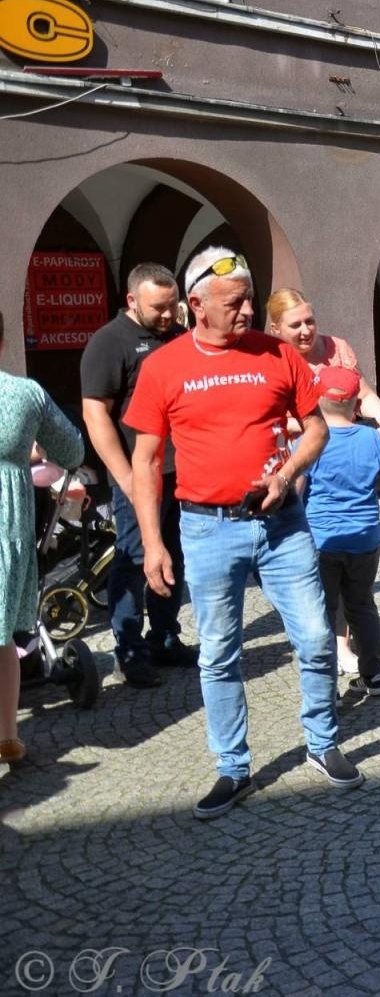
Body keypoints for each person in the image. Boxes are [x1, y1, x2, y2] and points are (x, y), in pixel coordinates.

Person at [124, 247, 363, 819]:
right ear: (196, 305)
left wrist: (285, 475)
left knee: (312, 637)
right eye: (234, 303)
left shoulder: (277, 353)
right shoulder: (164, 366)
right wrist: (153, 543)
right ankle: (232, 767)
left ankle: (322, 743)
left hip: (281, 524)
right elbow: (146, 460)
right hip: (206, 530)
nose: (247, 310)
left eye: (250, 300)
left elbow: (315, 432)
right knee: (219, 652)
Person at [79, 262, 195, 689]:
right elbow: (96, 415)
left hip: (181, 473)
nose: (167, 316)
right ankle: (129, 650)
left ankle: (164, 637)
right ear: (132, 301)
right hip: (138, 475)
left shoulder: (178, 336)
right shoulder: (109, 342)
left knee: (175, 555)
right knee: (132, 560)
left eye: (172, 306)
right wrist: (125, 476)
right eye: (157, 308)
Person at [1, 310, 85, 766]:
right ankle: (8, 735)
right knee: (3, 634)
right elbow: (72, 449)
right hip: (7, 527)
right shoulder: (24, 393)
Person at [301, 365, 380, 696]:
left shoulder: (310, 442)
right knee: (362, 606)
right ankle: (374, 676)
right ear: (357, 401)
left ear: (316, 399)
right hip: (366, 539)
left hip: (321, 539)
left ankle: (328, 691)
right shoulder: (372, 438)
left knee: (323, 612)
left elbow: (297, 489)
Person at [265, 288, 380, 443]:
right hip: (297, 454)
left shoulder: (337, 348)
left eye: (310, 321)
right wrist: (310, 425)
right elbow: (266, 421)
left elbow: (364, 395)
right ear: (275, 328)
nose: (305, 331)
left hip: (345, 445)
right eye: (295, 325)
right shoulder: (269, 364)